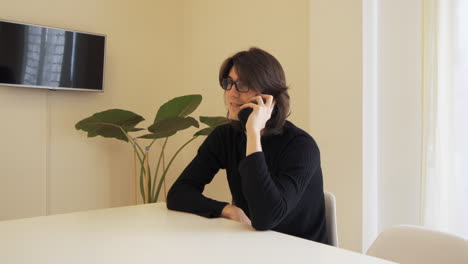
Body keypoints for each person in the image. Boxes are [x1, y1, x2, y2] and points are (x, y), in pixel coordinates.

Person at [167, 47, 328, 244]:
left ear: (269, 97)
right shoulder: (225, 137)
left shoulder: (301, 147)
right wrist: (227, 209)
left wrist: (253, 134)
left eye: (243, 84)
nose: (231, 93)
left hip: (302, 253)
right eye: (229, 83)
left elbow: (265, 218)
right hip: (252, 246)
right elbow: (179, 193)